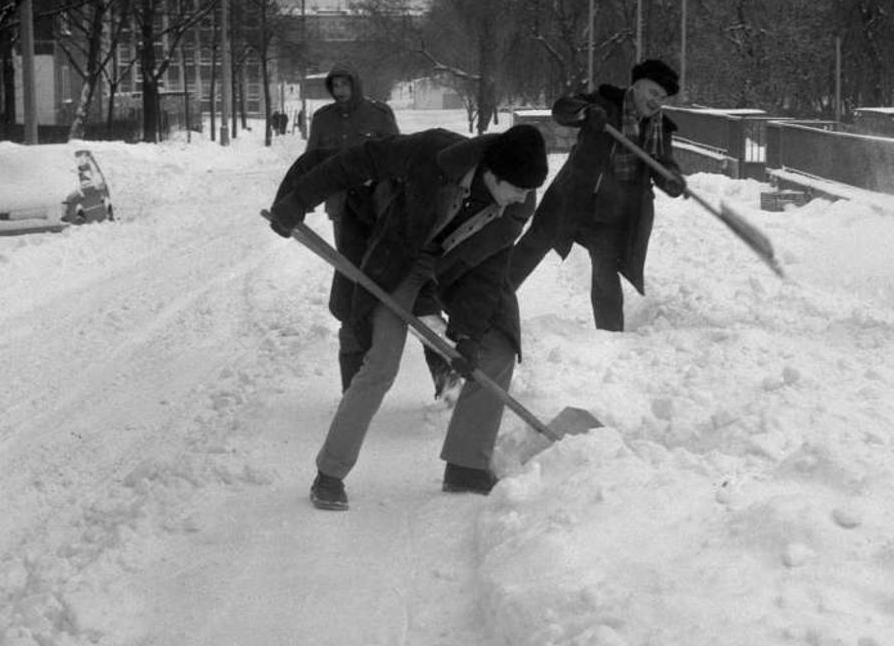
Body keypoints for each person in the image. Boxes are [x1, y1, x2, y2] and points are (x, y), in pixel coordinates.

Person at [268, 123, 549, 510]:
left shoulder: (519, 202)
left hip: (460, 265)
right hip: (400, 259)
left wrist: (466, 335)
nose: (524, 197)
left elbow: (486, 271)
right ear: (492, 174)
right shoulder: (434, 153)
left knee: (498, 344)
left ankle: (467, 464)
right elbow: (357, 161)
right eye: (517, 187)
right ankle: (329, 473)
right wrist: (298, 200)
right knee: (382, 362)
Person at [508, 58, 685, 332]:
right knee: (532, 247)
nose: (656, 102)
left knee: (606, 274)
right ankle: (488, 303)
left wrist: (671, 179)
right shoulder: (605, 103)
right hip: (572, 196)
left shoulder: (659, 127)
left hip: (610, 211)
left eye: (661, 97)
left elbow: (662, 163)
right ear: (636, 87)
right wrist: (586, 112)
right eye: (652, 93)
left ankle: (611, 338)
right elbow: (562, 109)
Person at [281, 65, 399, 390]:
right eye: (336, 85)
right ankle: (356, 325)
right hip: (343, 209)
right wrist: (300, 201)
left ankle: (380, 323)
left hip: (379, 206)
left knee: (382, 269)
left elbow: (398, 154)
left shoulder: (378, 114)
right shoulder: (323, 119)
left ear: (356, 85)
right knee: (351, 270)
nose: (341, 90)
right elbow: (313, 161)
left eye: (346, 84)